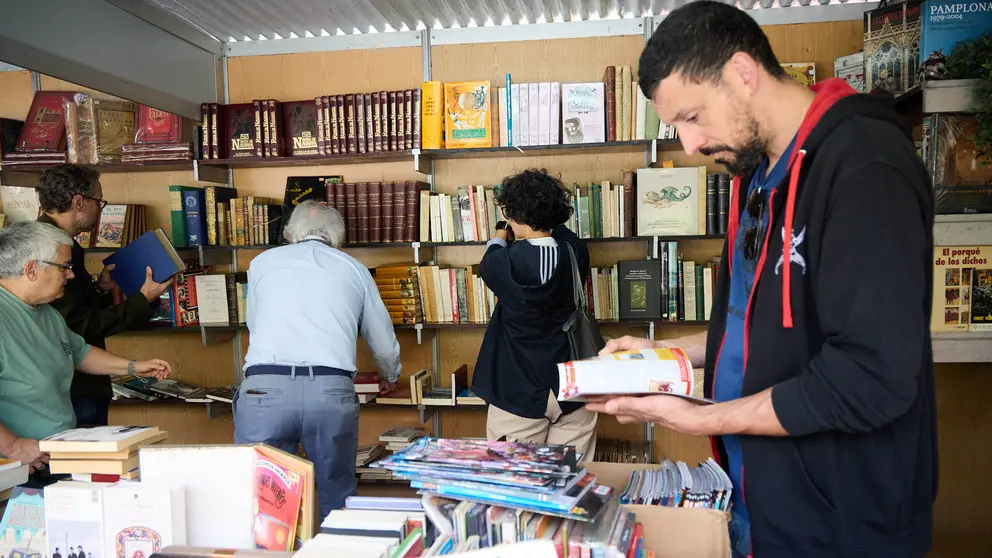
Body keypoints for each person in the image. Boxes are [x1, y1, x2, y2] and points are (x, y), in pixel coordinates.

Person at [586, 2, 937, 557]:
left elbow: (871, 378)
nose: (689, 146)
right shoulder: (756, 177)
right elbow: (759, 328)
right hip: (761, 506)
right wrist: (664, 355)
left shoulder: (866, 168)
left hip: (843, 526)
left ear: (744, 74)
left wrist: (699, 416)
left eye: (693, 117)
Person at [234, 200, 401, 519]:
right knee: (335, 494)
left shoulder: (261, 263)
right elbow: (382, 342)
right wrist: (389, 375)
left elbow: (255, 325)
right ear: (338, 237)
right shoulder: (354, 268)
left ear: (290, 233)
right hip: (329, 390)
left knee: (263, 502)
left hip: (264, 389)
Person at [0, 221, 171, 476]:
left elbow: (78, 352)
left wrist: (133, 367)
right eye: (65, 267)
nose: (71, 275)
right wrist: (12, 446)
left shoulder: (47, 312)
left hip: (54, 455)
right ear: (32, 270)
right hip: (18, 465)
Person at [472, 169, 598, 461]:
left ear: (513, 214)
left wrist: (501, 233)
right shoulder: (575, 252)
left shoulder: (501, 264)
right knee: (572, 484)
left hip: (518, 390)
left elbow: (490, 255)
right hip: (573, 387)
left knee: (515, 488)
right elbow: (564, 234)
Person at [34, 164, 173, 428]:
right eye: (99, 201)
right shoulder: (54, 248)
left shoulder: (56, 243)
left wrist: (100, 288)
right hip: (75, 386)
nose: (100, 209)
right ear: (78, 202)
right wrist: (142, 299)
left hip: (76, 380)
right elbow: (78, 328)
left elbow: (71, 314)